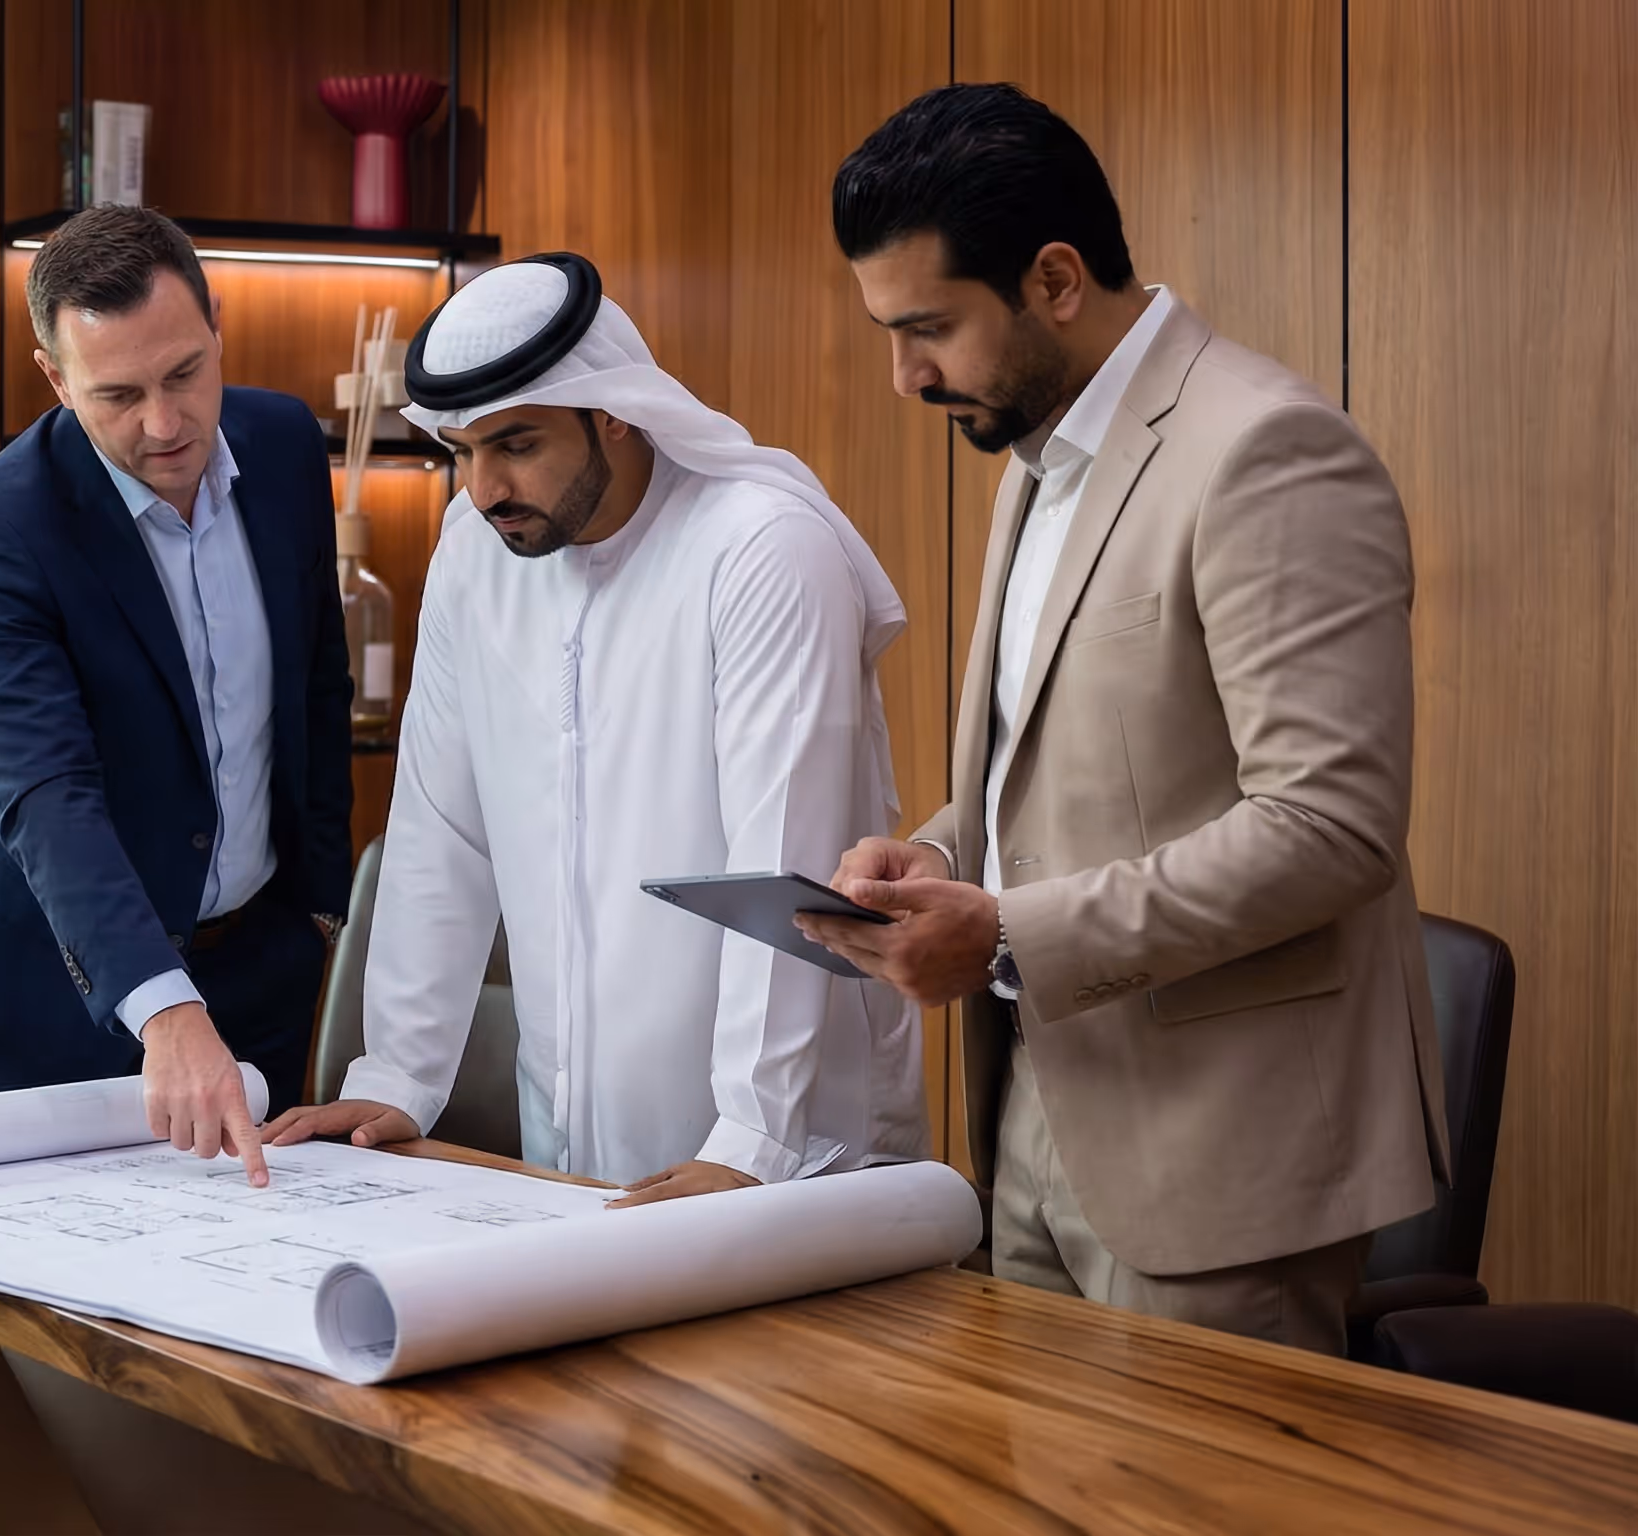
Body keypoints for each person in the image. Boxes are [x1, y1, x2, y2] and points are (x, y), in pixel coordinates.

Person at [800, 84, 1446, 1354]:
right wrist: (936, 858)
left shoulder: (1268, 450)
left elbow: (1329, 826)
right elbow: (1059, 771)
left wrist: (1002, 931)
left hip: (1223, 1157)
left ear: (1052, 279)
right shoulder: (1034, 450)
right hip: (1034, 1117)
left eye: (928, 327)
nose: (903, 376)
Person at [263, 252, 928, 1200]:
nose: (485, 487)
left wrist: (749, 1141)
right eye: (463, 451)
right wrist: (397, 1080)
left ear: (613, 409)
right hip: (568, 1159)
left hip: (789, 1166)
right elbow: (439, 832)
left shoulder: (760, 548)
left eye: (518, 444)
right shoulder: (473, 553)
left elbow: (789, 872)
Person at [0, 206, 354, 1185]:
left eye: (185, 375)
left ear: (216, 327)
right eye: (117, 394)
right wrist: (164, 1006)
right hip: (55, 999)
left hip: (259, 971)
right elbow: (45, 794)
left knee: (250, 1291)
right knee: (42, 1318)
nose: (164, 425)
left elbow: (315, 680)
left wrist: (318, 905)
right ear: (53, 378)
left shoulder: (282, 447)